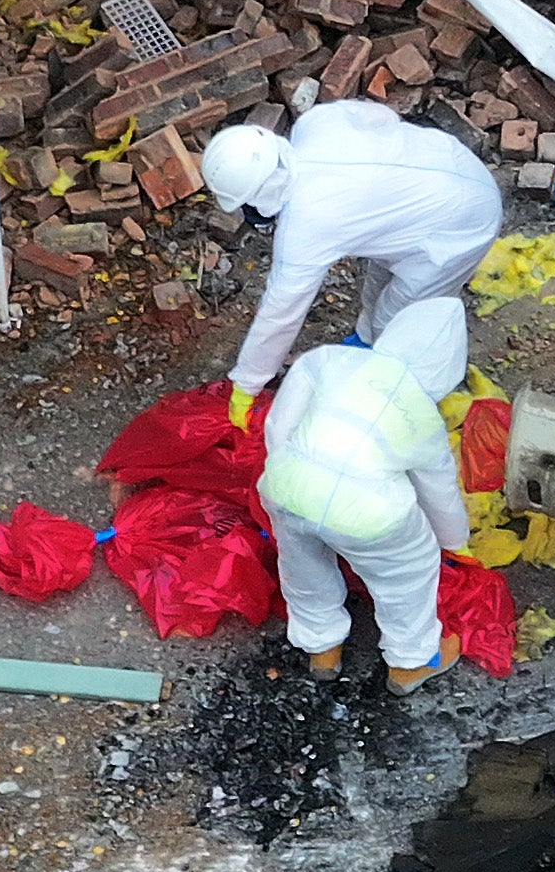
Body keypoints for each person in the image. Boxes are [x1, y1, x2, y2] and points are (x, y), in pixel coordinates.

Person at [207, 103, 504, 419]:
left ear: (259, 191)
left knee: (397, 315)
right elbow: (383, 117)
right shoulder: (314, 124)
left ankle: (395, 398)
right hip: (453, 167)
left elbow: (281, 313)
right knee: (377, 282)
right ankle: (363, 342)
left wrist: (247, 385)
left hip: (461, 226)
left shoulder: (308, 222)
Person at [258, 295, 475, 689]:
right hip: (368, 517)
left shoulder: (328, 361)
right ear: (446, 368)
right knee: (408, 572)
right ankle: (410, 662)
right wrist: (453, 541)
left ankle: (322, 646)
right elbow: (437, 489)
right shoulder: (424, 419)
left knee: (302, 566)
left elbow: (278, 425)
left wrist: (294, 471)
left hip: (287, 487)